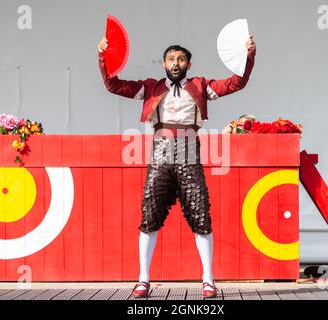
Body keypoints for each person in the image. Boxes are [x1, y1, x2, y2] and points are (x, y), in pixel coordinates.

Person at [97, 34, 256, 298]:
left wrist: (248, 56)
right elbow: (113, 86)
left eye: (180, 59)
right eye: (171, 59)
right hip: (160, 151)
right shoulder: (151, 87)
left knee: (200, 213)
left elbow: (237, 82)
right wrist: (103, 57)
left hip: (189, 151)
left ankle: (208, 280)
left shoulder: (201, 85)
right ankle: (143, 280)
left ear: (188, 65)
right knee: (149, 214)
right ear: (163, 64)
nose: (175, 63)